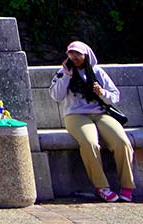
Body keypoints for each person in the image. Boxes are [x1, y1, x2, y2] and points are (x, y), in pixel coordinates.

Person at [49, 41, 134, 202]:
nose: (74, 57)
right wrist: (66, 77)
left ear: (86, 55)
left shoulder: (97, 71)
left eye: (78, 54)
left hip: (101, 113)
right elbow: (56, 96)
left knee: (122, 142)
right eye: (71, 54)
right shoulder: (63, 72)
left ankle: (127, 186)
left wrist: (102, 93)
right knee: (90, 143)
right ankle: (101, 186)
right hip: (75, 115)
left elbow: (115, 96)